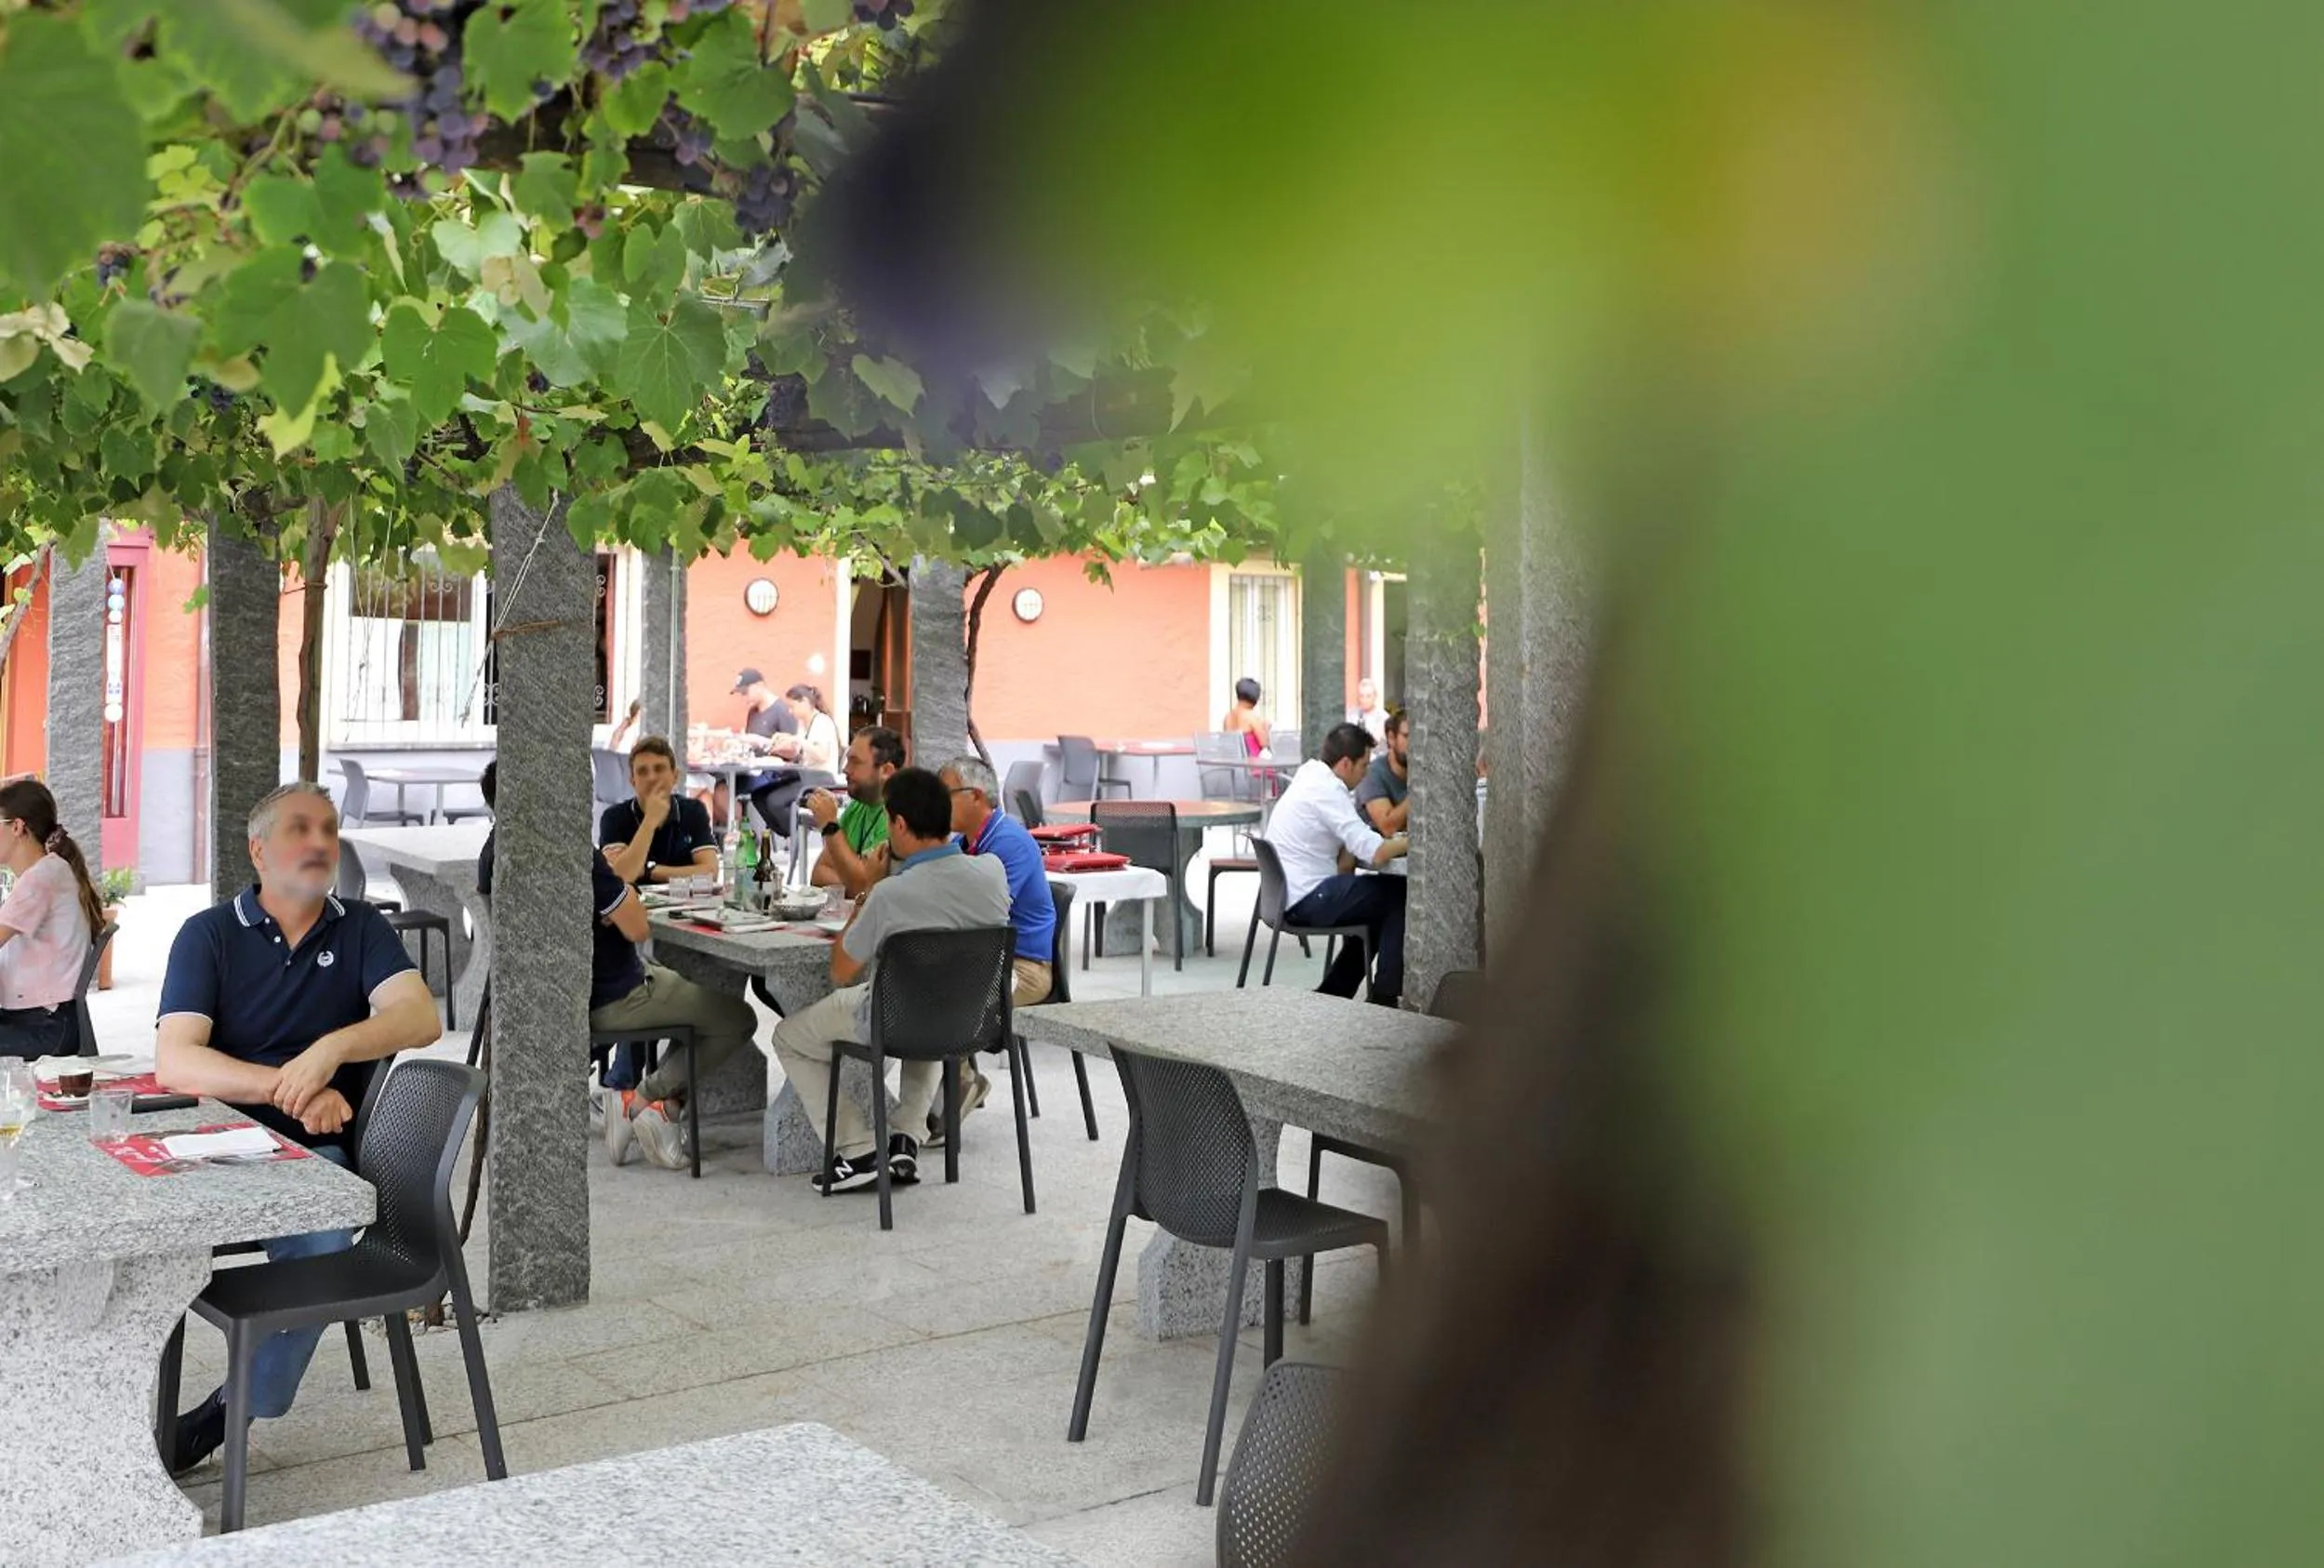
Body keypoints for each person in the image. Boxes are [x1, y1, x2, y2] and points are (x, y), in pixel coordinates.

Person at [155, 781, 445, 1474]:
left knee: (321, 1237)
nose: (319, 843)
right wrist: (288, 1089)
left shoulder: (360, 928)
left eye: (328, 829)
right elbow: (176, 1061)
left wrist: (330, 1051)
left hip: (314, 1154)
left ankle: (230, 1410)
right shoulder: (210, 934)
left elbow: (420, 1018)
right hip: (212, 1147)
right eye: (299, 830)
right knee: (129, 1235)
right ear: (259, 850)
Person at [768, 767, 1009, 1193]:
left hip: (892, 1017)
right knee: (932, 1000)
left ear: (898, 824)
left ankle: (858, 1147)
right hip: (969, 1017)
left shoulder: (890, 895)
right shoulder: (992, 870)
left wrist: (868, 892)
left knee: (789, 1036)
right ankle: (905, 1137)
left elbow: (842, 971)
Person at [936, 754, 1056, 1143]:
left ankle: (963, 1082)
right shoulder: (961, 842)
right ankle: (952, 1085)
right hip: (978, 959)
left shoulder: (1010, 843)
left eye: (945, 794)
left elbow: (985, 915)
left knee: (945, 997)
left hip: (1024, 968)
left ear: (974, 796)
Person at [1265, 723, 1410, 1004]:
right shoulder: (1328, 792)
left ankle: (1333, 995)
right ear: (1346, 763)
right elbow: (1376, 852)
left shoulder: (1310, 774)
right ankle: (1385, 998)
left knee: (1374, 906)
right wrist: (1412, 841)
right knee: (1398, 894)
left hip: (1289, 894)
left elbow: (1347, 861)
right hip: (1306, 899)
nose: (1367, 772)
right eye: (1364, 765)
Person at [0, 779, 102, 1057]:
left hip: (45, 1028)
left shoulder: (40, 879)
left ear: (17, 827)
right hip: (44, 1020)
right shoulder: (48, 872)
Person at [599, 736, 718, 887]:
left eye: (659, 769)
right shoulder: (614, 817)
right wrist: (650, 821)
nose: (652, 778)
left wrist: (648, 870)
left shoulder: (693, 811)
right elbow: (622, 875)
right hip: (632, 905)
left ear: (675, 777)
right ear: (632, 781)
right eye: (642, 771)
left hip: (683, 904)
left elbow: (710, 873)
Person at [807, 724, 905, 897]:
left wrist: (831, 825)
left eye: (855, 762)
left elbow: (864, 887)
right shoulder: (858, 807)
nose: (845, 769)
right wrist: (854, 881)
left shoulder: (900, 816)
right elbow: (819, 875)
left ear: (886, 771)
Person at [749, 684, 843, 837]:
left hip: (820, 778)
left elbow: (822, 755)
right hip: (805, 775)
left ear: (805, 702)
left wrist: (797, 740)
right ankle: (788, 831)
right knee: (758, 796)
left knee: (775, 801)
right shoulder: (803, 724)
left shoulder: (822, 722)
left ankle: (797, 834)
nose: (790, 711)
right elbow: (801, 753)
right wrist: (779, 745)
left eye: (792, 707)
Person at [717, 667, 800, 825]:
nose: (744, 697)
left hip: (775, 775)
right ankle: (740, 833)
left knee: (726, 789)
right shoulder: (753, 713)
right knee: (721, 788)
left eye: (746, 692)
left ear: (760, 686)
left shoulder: (781, 711)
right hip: (751, 770)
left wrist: (766, 745)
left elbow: (794, 750)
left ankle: (743, 835)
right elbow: (751, 746)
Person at [1353, 707, 1411, 835]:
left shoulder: (1427, 771)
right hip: (1379, 852)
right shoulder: (1372, 774)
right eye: (1408, 736)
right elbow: (1388, 827)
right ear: (1391, 738)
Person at [1221, 675, 1272, 756]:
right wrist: (1266, 727)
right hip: (1254, 764)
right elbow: (1264, 743)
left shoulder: (1228, 717)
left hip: (1233, 765)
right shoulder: (1251, 716)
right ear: (1255, 698)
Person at [1350, 676, 1389, 746]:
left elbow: (1374, 742)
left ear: (1375, 696)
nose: (1364, 700)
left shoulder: (1383, 717)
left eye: (1368, 696)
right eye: (1361, 696)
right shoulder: (1352, 715)